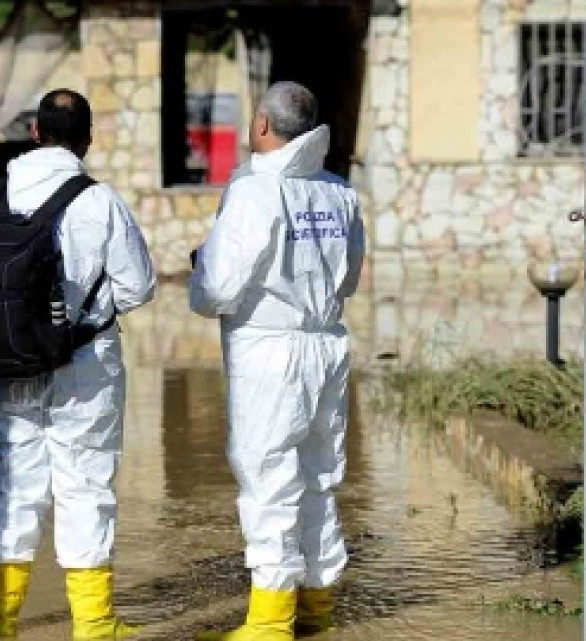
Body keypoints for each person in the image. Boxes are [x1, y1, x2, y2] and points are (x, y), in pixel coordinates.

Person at [0, 89, 156, 640]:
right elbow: (138, 290)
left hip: (2, 370)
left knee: (11, 486)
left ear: (35, 133)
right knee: (84, 486)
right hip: (83, 369)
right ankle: (94, 628)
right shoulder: (99, 202)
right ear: (86, 141)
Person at [189, 81, 365, 641]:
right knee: (318, 474)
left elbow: (215, 290)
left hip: (268, 351)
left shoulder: (252, 191)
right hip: (327, 345)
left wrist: (200, 267)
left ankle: (269, 623)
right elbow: (351, 280)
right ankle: (316, 605)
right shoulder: (340, 193)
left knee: (268, 479)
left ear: (263, 125)